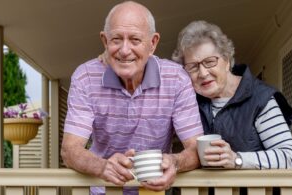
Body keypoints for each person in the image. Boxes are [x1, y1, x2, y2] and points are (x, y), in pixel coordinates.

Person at [61, 1, 203, 195]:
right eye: (116, 39)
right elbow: (69, 150)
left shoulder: (176, 79)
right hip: (104, 191)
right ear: (105, 41)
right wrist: (102, 167)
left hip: (152, 192)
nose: (125, 50)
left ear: (152, 43)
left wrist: (175, 163)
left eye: (135, 40)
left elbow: (196, 148)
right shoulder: (85, 77)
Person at [172, 20, 292, 170]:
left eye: (210, 62)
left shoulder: (260, 98)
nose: (203, 73)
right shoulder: (188, 101)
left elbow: (288, 157)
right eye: (193, 67)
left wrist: (238, 159)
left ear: (227, 61)